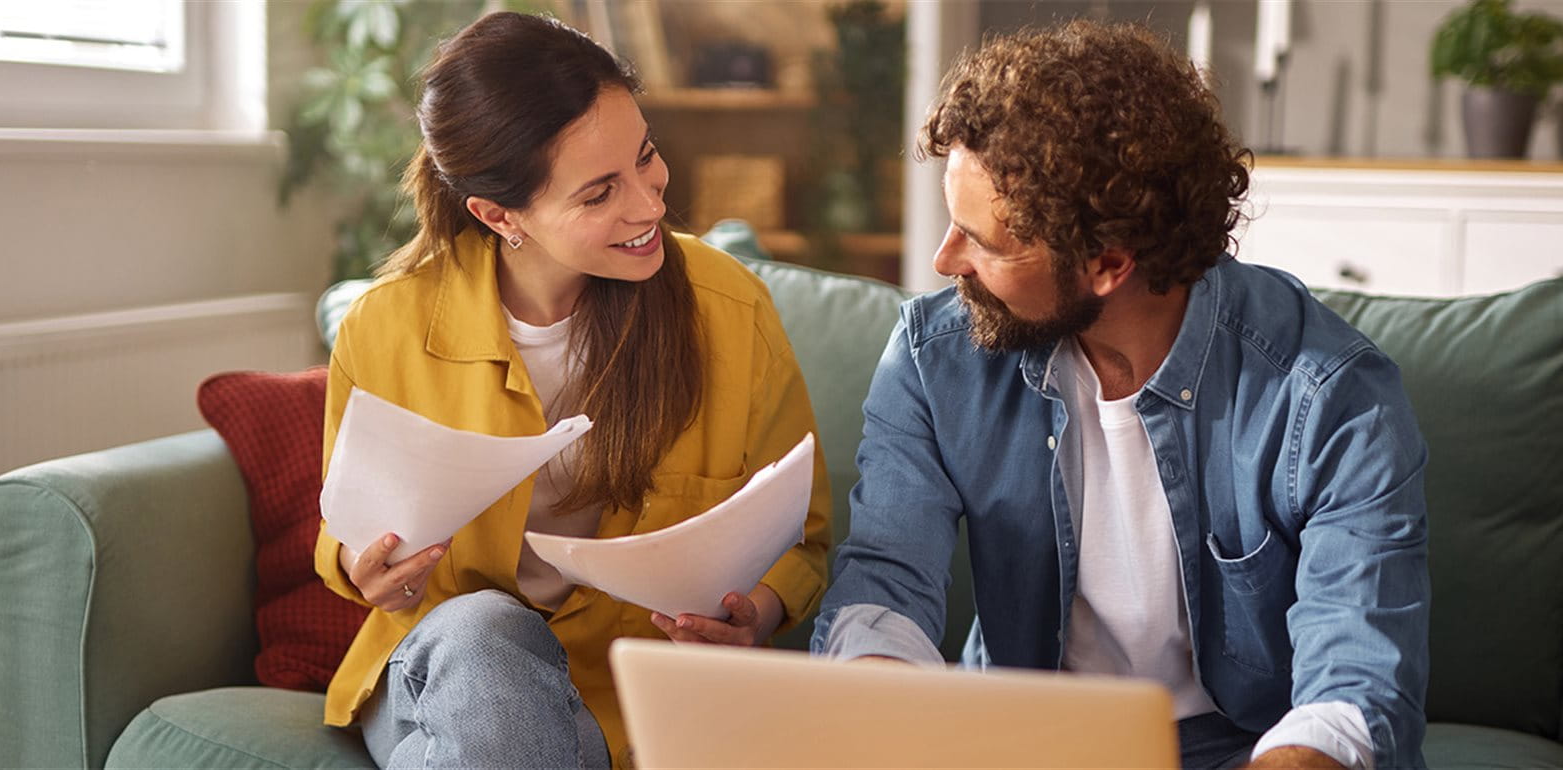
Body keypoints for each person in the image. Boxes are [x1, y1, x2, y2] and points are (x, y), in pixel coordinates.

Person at [813, 20, 1428, 770]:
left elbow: (1355, 687)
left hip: (1245, 752)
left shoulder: (1330, 396)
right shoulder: (933, 357)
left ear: (1107, 263)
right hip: (1013, 743)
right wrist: (893, 721)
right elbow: (885, 584)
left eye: (987, 243)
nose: (947, 262)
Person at [313, 12, 830, 769]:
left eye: (646, 158)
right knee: (485, 635)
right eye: (598, 194)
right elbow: (346, 531)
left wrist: (758, 612)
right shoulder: (384, 329)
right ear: (498, 216)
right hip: (447, 672)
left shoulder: (730, 308)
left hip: (635, 690)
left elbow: (803, 537)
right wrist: (369, 570)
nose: (650, 204)